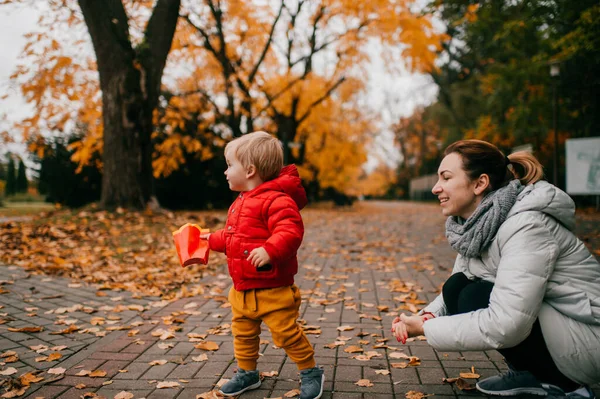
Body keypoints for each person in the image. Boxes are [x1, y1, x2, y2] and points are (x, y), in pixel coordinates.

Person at [392, 139, 600, 398]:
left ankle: (567, 386)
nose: (436, 188)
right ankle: (531, 372)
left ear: (480, 183)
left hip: (588, 336)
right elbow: (461, 279)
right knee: (459, 287)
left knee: (474, 297)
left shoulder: (526, 226)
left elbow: (508, 323)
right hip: (558, 326)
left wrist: (426, 330)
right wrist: (427, 317)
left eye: (446, 178)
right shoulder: (479, 225)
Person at [201, 131, 324, 399]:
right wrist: (211, 239)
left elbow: (290, 231)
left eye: (229, 165)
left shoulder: (277, 199)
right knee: (243, 334)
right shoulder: (240, 202)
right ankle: (247, 372)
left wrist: (270, 250)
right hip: (242, 288)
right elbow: (235, 237)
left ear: (250, 170)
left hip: (272, 288)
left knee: (286, 334)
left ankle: (310, 371)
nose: (225, 171)